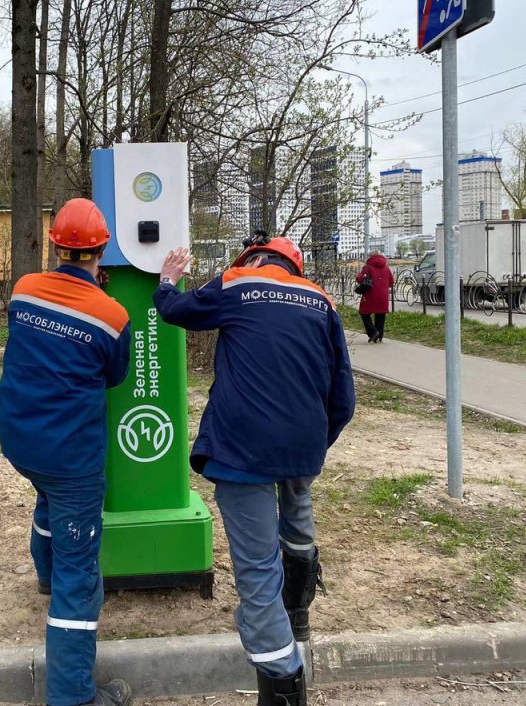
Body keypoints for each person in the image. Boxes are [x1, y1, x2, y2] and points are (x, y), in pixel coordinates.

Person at [153, 234, 355, 706]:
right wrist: (311, 446)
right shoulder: (322, 302)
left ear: (254, 259)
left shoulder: (239, 281)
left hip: (244, 448)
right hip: (303, 440)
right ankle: (298, 611)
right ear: (295, 267)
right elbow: (343, 395)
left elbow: (177, 312)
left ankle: (283, 680)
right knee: (298, 515)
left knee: (258, 569)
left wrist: (166, 282)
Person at [0, 198, 133, 706]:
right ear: (103, 249)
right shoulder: (112, 316)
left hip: (19, 439)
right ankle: (73, 696)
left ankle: (45, 575)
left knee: (48, 500)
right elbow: (115, 375)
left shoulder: (23, 291)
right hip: (70, 454)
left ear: (55, 245)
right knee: (82, 575)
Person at [355, 251, 394, 344]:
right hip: (383, 295)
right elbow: (391, 282)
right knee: (380, 314)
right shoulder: (387, 268)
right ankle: (379, 335)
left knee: (364, 313)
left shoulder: (367, 267)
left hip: (370, 294)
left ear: (370, 256)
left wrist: (359, 276)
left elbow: (360, 279)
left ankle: (373, 332)